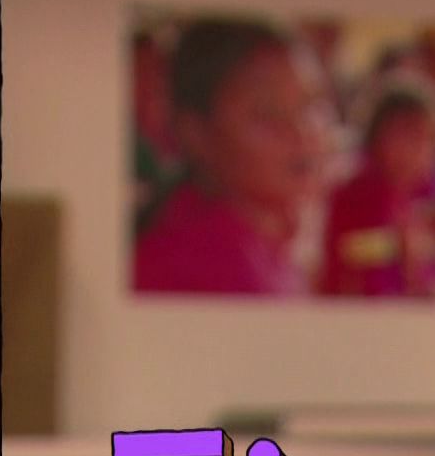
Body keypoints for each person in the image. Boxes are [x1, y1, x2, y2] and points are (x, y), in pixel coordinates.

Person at [133, 18, 326, 295]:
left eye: (310, 105)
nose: (301, 131)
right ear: (195, 132)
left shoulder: (267, 240)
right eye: (268, 113)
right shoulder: (186, 265)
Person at [319, 79, 435, 298]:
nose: (418, 150)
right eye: (407, 135)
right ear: (377, 135)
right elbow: (345, 253)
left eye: (428, 139)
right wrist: (398, 245)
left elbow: (432, 273)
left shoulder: (420, 193)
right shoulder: (354, 192)